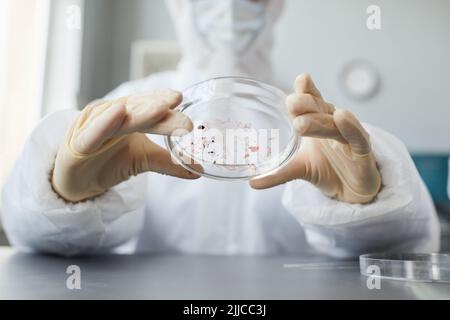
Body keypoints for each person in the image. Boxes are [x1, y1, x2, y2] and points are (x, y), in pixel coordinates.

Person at [1, 0, 440, 257]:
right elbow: (29, 237)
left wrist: (370, 211)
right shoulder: (126, 109)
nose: (228, 9)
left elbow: (405, 255)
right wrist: (59, 199)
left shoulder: (314, 121)